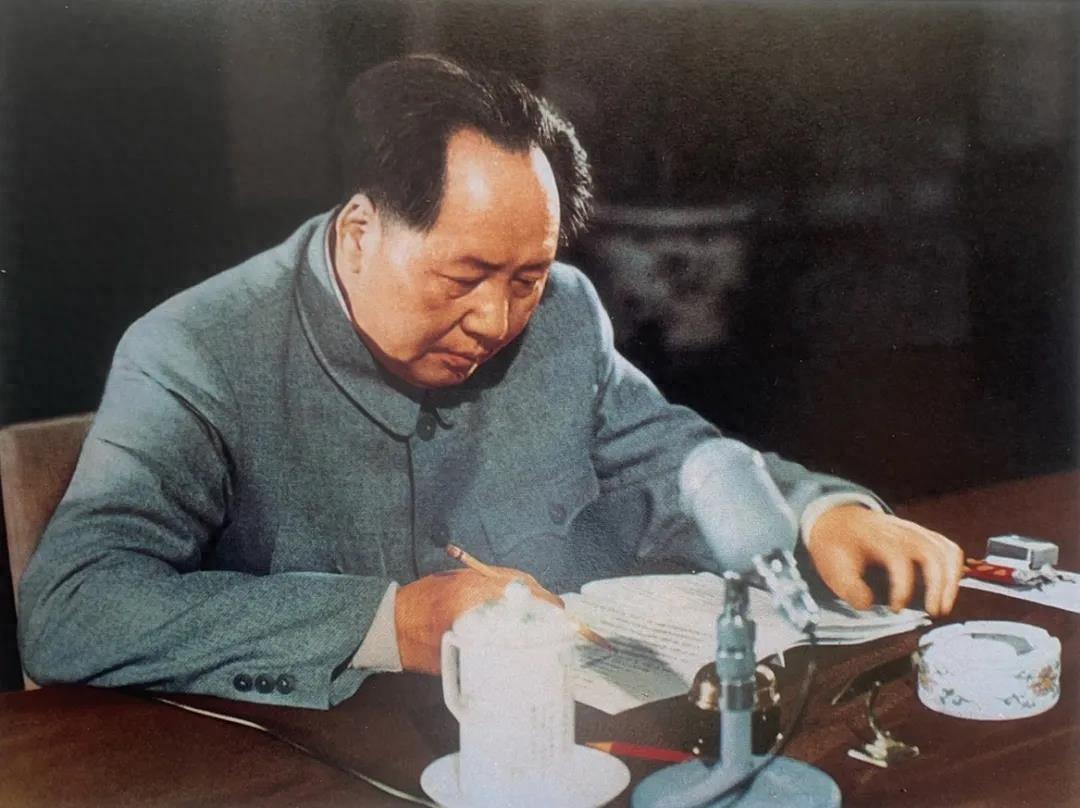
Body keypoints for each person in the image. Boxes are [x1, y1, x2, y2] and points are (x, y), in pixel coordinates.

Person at [18, 55, 963, 708]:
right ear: (360, 230)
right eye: (463, 276)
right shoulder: (194, 349)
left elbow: (671, 459)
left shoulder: (565, 312)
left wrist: (818, 517)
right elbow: (71, 611)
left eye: (526, 278)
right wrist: (393, 622)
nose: (496, 320)